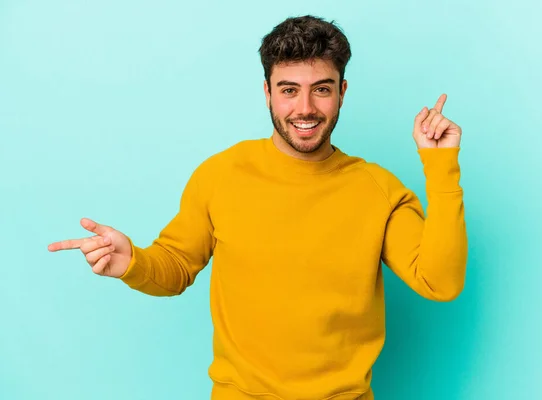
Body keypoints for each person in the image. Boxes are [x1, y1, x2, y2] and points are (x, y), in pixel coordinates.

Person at [48, 15, 467, 400]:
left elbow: (440, 282)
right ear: (267, 92)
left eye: (321, 89)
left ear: (342, 91)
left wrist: (441, 166)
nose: (305, 108)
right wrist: (132, 261)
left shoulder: (379, 190)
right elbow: (175, 266)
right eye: (289, 90)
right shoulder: (221, 174)